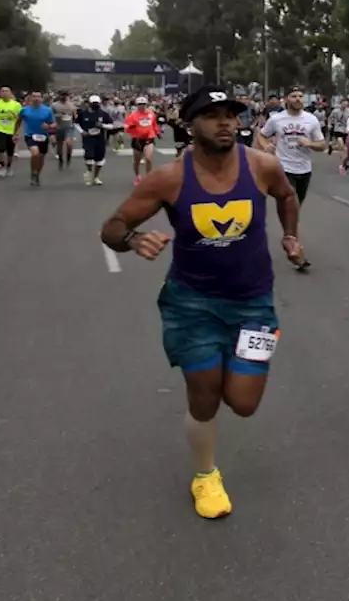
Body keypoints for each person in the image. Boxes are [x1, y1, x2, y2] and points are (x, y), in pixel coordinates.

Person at [99, 86, 304, 520]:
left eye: (231, 114)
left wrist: (290, 234)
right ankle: (205, 476)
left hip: (254, 303)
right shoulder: (170, 178)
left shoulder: (262, 165)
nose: (226, 122)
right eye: (212, 116)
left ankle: (231, 364)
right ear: (189, 126)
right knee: (205, 395)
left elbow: (286, 195)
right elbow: (112, 227)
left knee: (244, 403)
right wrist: (134, 239)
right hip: (191, 304)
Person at [259, 86, 327, 204]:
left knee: (297, 203)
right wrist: (266, 146)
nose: (298, 99)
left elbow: (322, 145)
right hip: (284, 168)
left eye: (300, 96)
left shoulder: (311, 119)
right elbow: (261, 135)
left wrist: (310, 143)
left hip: (304, 169)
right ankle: (292, 222)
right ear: (286, 99)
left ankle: (292, 222)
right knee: (289, 202)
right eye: (294, 96)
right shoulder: (276, 119)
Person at [17, 92, 56, 186]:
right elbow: (18, 121)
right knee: (35, 154)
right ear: (31, 98)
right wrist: (15, 133)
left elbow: (54, 124)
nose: (36, 98)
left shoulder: (47, 110)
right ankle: (33, 173)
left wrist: (48, 126)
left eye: (38, 97)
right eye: (34, 97)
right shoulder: (25, 110)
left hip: (43, 136)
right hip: (30, 135)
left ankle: (37, 174)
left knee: (41, 158)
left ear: (41, 99)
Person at [76, 95, 115, 185]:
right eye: (93, 103)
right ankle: (89, 172)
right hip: (88, 138)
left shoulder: (103, 114)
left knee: (99, 159)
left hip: (100, 139)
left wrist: (102, 126)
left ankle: (96, 177)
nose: (95, 105)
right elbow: (76, 124)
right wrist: (82, 131)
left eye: (97, 103)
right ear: (89, 104)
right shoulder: (83, 113)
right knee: (89, 156)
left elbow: (111, 125)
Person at [125, 96, 161, 185]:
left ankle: (148, 178)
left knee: (148, 159)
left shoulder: (151, 114)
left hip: (149, 138)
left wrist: (158, 132)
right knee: (137, 161)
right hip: (137, 139)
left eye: (144, 104)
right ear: (137, 105)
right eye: (140, 104)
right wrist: (131, 127)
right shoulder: (133, 115)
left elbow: (154, 124)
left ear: (147, 105)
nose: (142, 106)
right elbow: (126, 127)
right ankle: (137, 176)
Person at [0, 87, 22, 178]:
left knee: (10, 151)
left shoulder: (16, 105)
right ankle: (2, 167)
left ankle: (9, 167)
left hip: (11, 130)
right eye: (3, 91)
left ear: (10, 93)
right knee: (1, 148)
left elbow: (19, 119)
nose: (5, 93)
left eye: (7, 91)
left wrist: (17, 132)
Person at [53, 91, 77, 170]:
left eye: (65, 95)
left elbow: (75, 116)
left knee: (69, 144)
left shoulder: (71, 105)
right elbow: (50, 116)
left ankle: (68, 158)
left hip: (69, 127)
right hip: (59, 127)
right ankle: (61, 160)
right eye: (62, 95)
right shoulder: (54, 105)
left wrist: (74, 116)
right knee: (59, 145)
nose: (64, 97)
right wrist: (58, 115)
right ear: (59, 95)